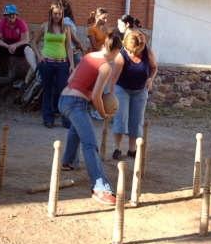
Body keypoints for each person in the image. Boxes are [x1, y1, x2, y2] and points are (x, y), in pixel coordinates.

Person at [58, 30, 122, 206]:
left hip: (63, 99)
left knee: (77, 129)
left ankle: (68, 162)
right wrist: (104, 114)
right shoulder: (106, 66)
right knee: (90, 143)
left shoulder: (89, 56)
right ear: (117, 50)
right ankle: (100, 187)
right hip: (76, 103)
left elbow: (71, 78)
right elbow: (96, 97)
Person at [110, 30, 158, 159]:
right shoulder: (121, 56)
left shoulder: (147, 52)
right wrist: (110, 95)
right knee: (121, 118)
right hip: (122, 89)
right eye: (131, 50)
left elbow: (154, 68)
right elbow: (113, 78)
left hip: (140, 90)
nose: (133, 53)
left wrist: (150, 79)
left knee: (136, 121)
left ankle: (132, 150)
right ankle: (117, 148)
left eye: (136, 50)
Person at [31, 1, 74, 128]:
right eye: (55, 13)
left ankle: (65, 120)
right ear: (51, 14)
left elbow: (69, 47)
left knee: (63, 92)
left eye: (60, 14)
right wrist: (39, 56)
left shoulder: (66, 28)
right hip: (47, 63)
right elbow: (34, 42)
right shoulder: (44, 26)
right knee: (48, 91)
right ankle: (48, 119)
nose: (57, 16)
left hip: (62, 64)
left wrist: (71, 64)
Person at [0, 4, 37, 83]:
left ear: (16, 15)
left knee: (28, 48)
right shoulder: (1, 23)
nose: (11, 16)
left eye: (13, 14)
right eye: (9, 15)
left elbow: (26, 39)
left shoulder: (21, 23)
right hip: (6, 45)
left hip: (18, 45)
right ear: (5, 16)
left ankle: (36, 70)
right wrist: (7, 46)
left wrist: (15, 45)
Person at [61, 0, 85, 66]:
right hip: (71, 51)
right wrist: (82, 48)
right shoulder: (66, 21)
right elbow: (73, 38)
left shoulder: (67, 20)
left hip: (71, 50)